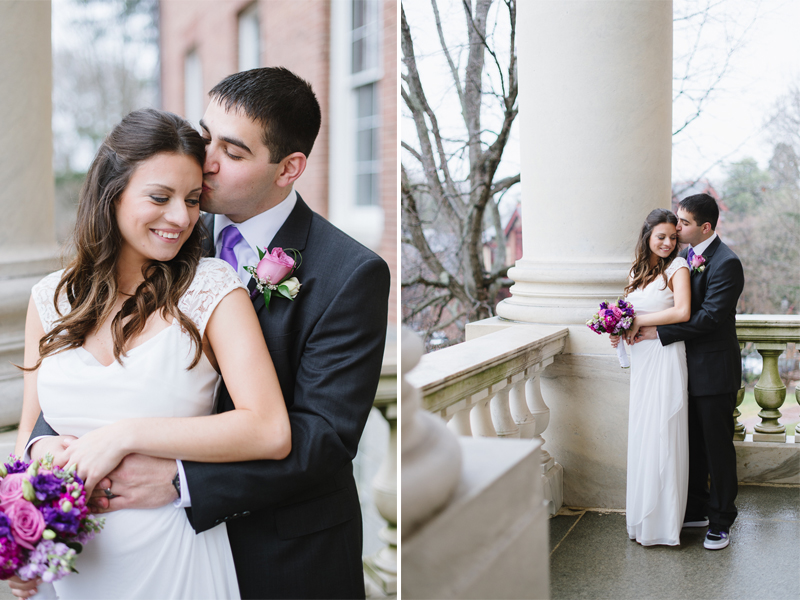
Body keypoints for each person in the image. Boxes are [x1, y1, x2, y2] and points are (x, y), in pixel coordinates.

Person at [30, 67, 390, 599]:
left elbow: (325, 438)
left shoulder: (349, 274)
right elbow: (86, 359)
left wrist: (181, 480)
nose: (207, 162)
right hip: (119, 548)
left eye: (234, 152)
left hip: (282, 552)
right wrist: (43, 450)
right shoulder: (165, 231)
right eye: (206, 138)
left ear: (289, 168)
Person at [11, 108, 291, 599]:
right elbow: (27, 436)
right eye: (160, 198)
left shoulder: (212, 288)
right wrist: (21, 530)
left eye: (191, 200)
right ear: (111, 193)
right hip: (80, 568)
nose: (181, 218)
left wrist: (126, 435)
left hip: (176, 557)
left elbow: (269, 429)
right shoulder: (48, 298)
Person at [635, 193, 744, 551]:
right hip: (680, 368)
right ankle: (695, 507)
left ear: (706, 227)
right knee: (691, 444)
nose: (676, 228)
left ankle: (722, 520)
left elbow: (711, 317)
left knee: (716, 447)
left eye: (683, 223)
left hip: (713, 370)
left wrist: (658, 331)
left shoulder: (726, 263)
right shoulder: (683, 257)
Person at [611, 208, 691, 546]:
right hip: (642, 360)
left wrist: (640, 323)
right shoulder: (637, 270)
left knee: (663, 430)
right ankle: (642, 520)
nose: (668, 242)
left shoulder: (678, 267)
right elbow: (628, 311)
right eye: (661, 236)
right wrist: (617, 328)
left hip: (666, 355)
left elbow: (682, 311)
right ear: (647, 236)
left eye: (673, 237)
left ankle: (664, 525)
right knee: (644, 431)